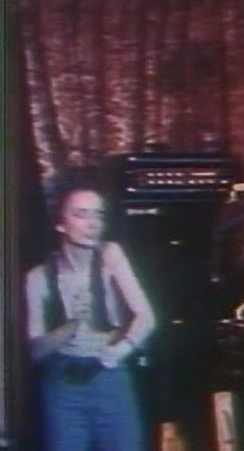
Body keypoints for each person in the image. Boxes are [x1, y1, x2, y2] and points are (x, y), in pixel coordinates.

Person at [25, 179, 155, 451]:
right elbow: (35, 352)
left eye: (98, 214)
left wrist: (117, 352)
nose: (93, 223)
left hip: (109, 374)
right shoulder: (38, 277)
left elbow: (146, 317)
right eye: (81, 214)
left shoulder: (111, 256)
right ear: (60, 224)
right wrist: (71, 325)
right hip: (63, 383)